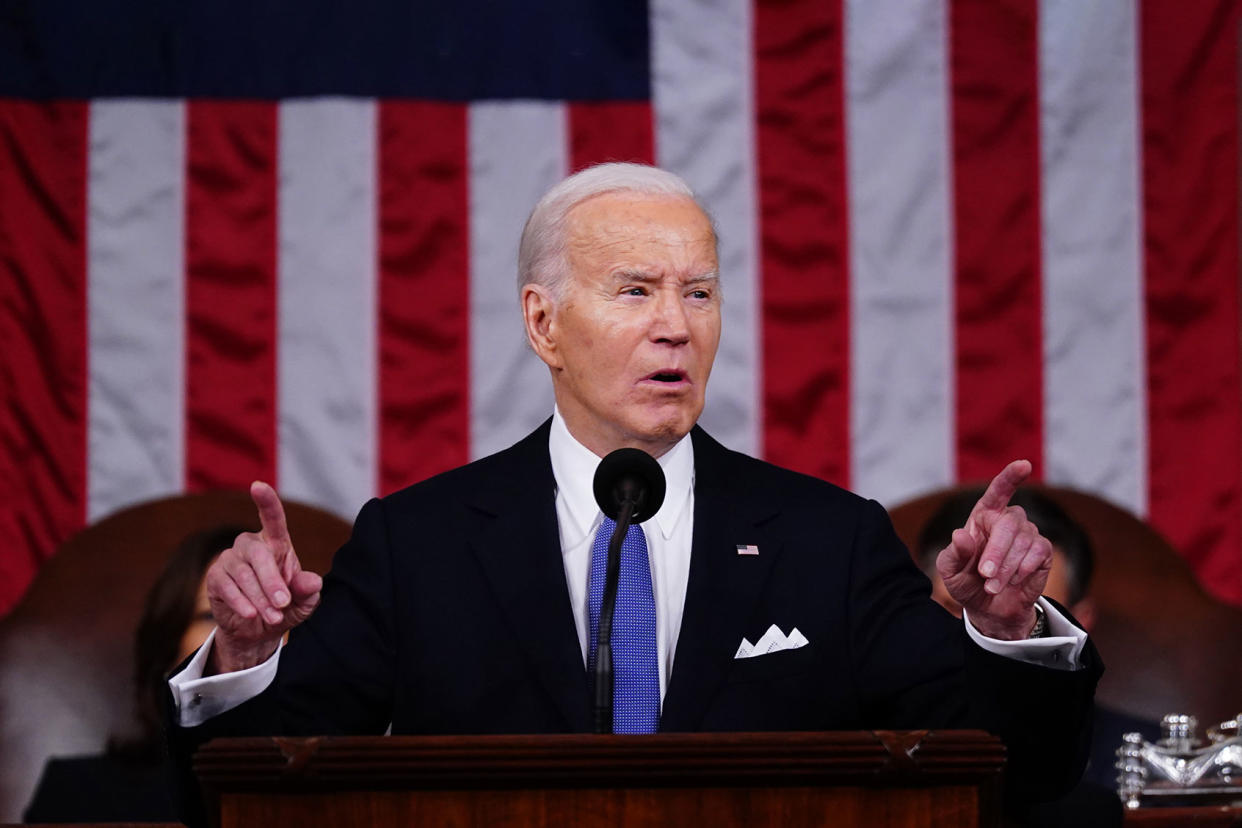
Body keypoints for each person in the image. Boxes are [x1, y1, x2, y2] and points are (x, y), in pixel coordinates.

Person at [168, 163, 1100, 816]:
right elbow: (246, 798)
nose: (675, 327)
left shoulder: (828, 538)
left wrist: (1008, 634)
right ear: (544, 324)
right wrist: (245, 656)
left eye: (699, 293)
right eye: (633, 291)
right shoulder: (418, 545)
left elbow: (1018, 779)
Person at [916, 488, 1160, 827]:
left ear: (1078, 624)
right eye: (960, 607)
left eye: (1021, 612)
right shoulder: (872, 748)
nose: (983, 633)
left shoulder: (1154, 763)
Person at [23, 525, 238, 823]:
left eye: (267, 611)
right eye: (212, 615)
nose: (246, 631)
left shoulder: (324, 797)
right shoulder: (77, 797)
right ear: (168, 653)